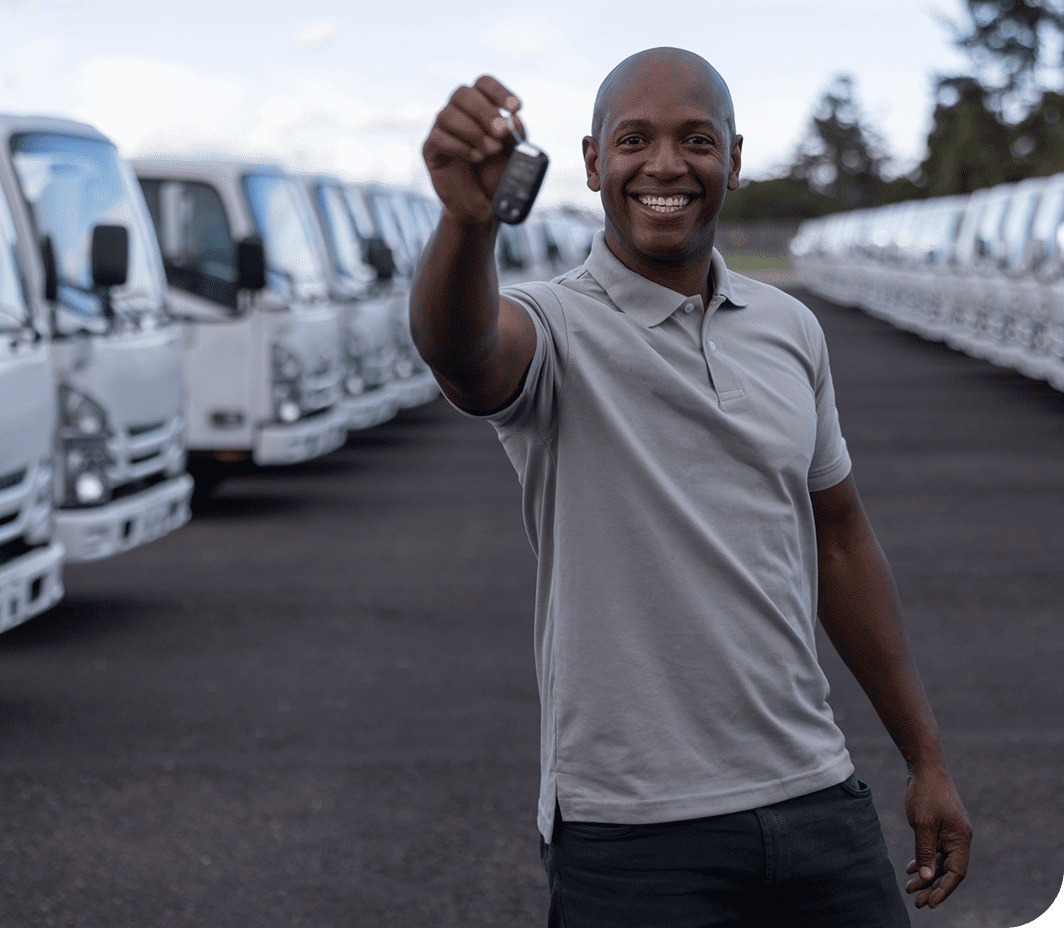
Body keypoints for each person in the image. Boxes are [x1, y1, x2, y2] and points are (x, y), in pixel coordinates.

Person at [410, 48, 972, 927]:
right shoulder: (552, 326)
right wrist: (467, 226)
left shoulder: (791, 330)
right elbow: (463, 351)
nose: (665, 165)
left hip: (818, 796)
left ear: (735, 160)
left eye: (696, 140)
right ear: (594, 163)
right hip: (632, 837)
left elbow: (839, 540)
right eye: (634, 140)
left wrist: (925, 759)